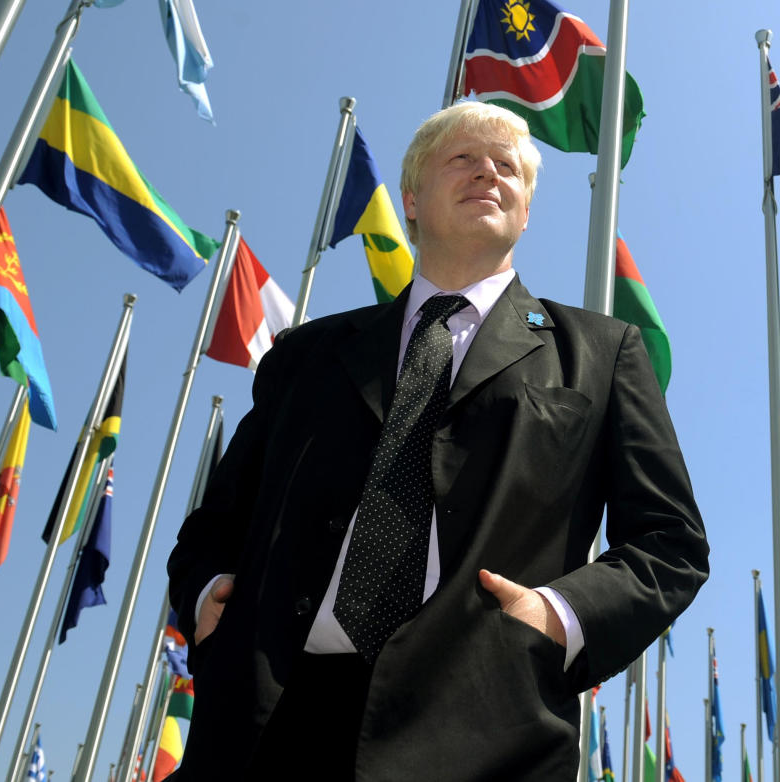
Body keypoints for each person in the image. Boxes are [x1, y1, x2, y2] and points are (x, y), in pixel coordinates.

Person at [168, 102, 708, 781]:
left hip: (483, 731)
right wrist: (210, 593)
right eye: (463, 158)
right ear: (412, 200)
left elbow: (671, 543)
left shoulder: (602, 354)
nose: (488, 172)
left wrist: (555, 615)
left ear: (527, 211)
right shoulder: (306, 355)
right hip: (263, 727)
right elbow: (217, 520)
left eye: (507, 165)